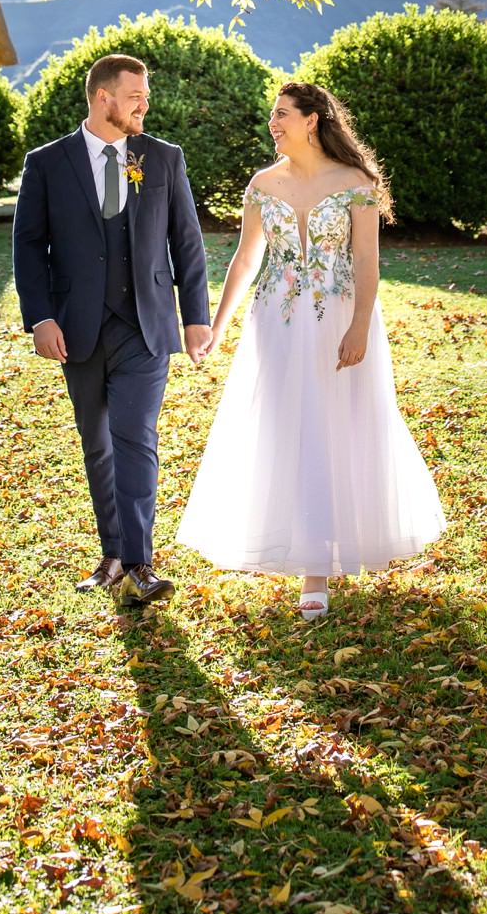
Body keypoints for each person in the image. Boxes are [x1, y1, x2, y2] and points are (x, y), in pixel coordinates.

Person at [177, 80, 444, 616]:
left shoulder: (355, 183)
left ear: (311, 120)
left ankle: (317, 572)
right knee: (283, 426)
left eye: (281, 114)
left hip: (337, 320)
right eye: (271, 115)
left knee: (331, 426)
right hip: (275, 323)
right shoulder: (262, 184)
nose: (273, 123)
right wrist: (215, 325)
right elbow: (246, 261)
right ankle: (287, 541)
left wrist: (360, 326)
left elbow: (367, 263)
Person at [13, 53, 211, 604]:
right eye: (134, 96)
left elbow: (187, 244)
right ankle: (112, 555)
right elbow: (28, 245)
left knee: (135, 436)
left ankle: (141, 562)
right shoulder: (49, 163)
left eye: (145, 96)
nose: (144, 105)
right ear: (103, 98)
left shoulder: (163, 158)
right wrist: (41, 317)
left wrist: (195, 316)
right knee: (96, 441)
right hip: (76, 327)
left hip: (145, 324)